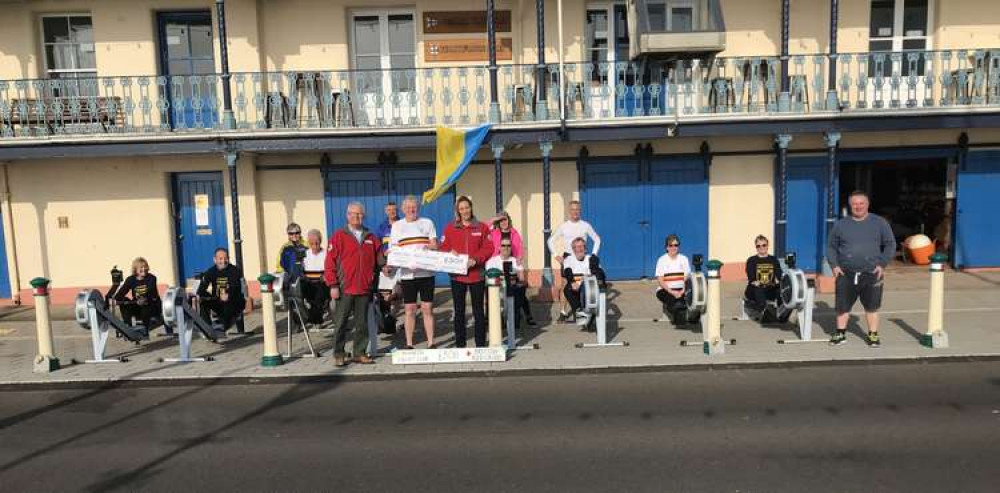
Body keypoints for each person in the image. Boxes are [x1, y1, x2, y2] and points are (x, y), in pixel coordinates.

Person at [827, 190, 896, 347]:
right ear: (850, 206)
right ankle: (840, 334)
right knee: (842, 306)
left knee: (872, 306)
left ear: (867, 204)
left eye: (861, 203)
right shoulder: (841, 224)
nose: (857, 206)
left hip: (872, 273)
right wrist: (834, 265)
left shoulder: (879, 223)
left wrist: (882, 264)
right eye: (854, 204)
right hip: (845, 273)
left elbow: (891, 244)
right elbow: (831, 246)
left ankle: (872, 335)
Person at [325, 202, 382, 366]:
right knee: (341, 323)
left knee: (362, 323)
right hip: (344, 288)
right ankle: (339, 354)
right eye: (353, 214)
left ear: (363, 216)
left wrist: (386, 263)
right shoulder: (338, 236)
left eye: (360, 214)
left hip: (364, 287)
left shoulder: (371, 237)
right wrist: (333, 285)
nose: (357, 217)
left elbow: (380, 259)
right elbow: (329, 262)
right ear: (347, 215)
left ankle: (359, 352)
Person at [441, 196, 494, 348]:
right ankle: (460, 344)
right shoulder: (450, 228)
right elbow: (443, 247)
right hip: (457, 277)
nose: (465, 211)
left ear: (471, 208)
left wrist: (475, 260)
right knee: (459, 312)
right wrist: (450, 251)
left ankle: (480, 344)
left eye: (467, 207)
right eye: (461, 208)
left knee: (478, 311)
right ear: (458, 211)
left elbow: (489, 248)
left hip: (477, 276)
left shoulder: (482, 227)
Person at [388, 195, 438, 349]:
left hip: (426, 273)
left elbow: (435, 245)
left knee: (427, 308)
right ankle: (409, 343)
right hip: (407, 274)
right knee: (409, 309)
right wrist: (400, 263)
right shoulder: (397, 226)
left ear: (418, 208)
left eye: (414, 207)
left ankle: (431, 342)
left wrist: (425, 248)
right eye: (408, 207)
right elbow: (394, 249)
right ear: (403, 210)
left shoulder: (427, 222)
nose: (411, 209)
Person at [548, 200, 601, 322]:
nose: (575, 212)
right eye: (572, 209)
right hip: (568, 258)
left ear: (580, 210)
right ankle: (563, 312)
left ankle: (584, 309)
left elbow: (597, 239)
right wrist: (556, 255)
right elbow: (550, 241)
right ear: (569, 211)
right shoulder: (564, 226)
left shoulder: (585, 225)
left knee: (585, 282)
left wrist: (593, 255)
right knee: (565, 285)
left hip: (581, 256)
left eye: (577, 209)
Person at [487, 211, 535, 326]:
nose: (504, 222)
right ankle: (490, 317)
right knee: (491, 291)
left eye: (506, 219)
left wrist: (519, 258)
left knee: (519, 290)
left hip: (512, 262)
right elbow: (484, 229)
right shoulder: (494, 232)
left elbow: (520, 248)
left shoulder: (514, 233)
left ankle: (527, 315)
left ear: (509, 220)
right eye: (501, 220)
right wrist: (493, 220)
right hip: (497, 262)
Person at [197, 248, 246, 334]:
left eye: (225, 258)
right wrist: (204, 296)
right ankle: (207, 328)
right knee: (203, 302)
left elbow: (234, 287)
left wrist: (228, 294)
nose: (223, 261)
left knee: (229, 302)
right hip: (218, 301)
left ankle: (222, 326)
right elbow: (201, 289)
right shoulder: (211, 272)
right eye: (220, 258)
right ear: (215, 260)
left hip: (234, 302)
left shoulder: (234, 271)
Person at [561, 237, 606, 326]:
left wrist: (596, 271)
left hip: (589, 288)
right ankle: (579, 312)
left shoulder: (591, 259)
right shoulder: (569, 259)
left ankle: (591, 318)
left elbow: (601, 273)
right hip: (576, 287)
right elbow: (567, 271)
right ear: (573, 249)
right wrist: (572, 282)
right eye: (576, 247)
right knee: (567, 289)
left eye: (581, 246)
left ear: (585, 249)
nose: (579, 249)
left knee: (591, 288)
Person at [486, 239, 528, 329]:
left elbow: (521, 278)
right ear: (499, 247)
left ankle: (514, 321)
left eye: (508, 246)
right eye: (503, 245)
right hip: (497, 291)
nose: (506, 248)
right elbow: (489, 278)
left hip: (511, 290)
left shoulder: (515, 261)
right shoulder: (492, 261)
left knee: (520, 289)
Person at [114, 257, 164, 333]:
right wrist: (115, 299)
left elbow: (151, 291)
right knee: (124, 300)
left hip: (152, 306)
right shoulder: (130, 279)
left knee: (146, 306)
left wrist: (144, 299)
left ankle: (145, 329)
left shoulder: (152, 278)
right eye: (141, 267)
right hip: (137, 306)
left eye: (145, 267)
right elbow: (122, 292)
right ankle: (127, 325)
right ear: (135, 269)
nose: (144, 269)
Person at [654, 234, 692, 325]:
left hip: (682, 288)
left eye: (676, 245)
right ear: (666, 247)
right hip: (666, 289)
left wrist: (682, 290)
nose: (673, 247)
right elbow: (660, 280)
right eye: (670, 245)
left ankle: (683, 314)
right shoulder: (662, 260)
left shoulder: (684, 259)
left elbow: (687, 277)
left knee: (688, 299)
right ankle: (677, 311)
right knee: (675, 303)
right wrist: (672, 292)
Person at [375, 202, 401, 334]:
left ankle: (392, 318)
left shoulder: (403, 225)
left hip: (400, 265)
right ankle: (384, 321)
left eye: (394, 210)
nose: (392, 212)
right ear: (386, 212)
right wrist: (382, 264)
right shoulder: (381, 227)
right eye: (389, 210)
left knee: (397, 294)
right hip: (386, 266)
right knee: (383, 295)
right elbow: (378, 249)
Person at [744, 235, 783, 318]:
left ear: (768, 245)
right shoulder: (751, 260)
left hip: (770, 288)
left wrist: (780, 281)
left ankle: (782, 312)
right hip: (755, 290)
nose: (761, 247)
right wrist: (756, 282)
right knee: (758, 289)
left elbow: (779, 274)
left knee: (781, 288)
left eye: (764, 245)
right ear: (756, 247)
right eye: (758, 246)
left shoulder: (773, 259)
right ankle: (765, 311)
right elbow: (751, 277)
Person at [299, 229, 330, 325]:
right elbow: (300, 270)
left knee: (319, 292)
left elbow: (330, 269)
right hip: (308, 282)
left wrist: (325, 276)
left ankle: (315, 318)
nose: (315, 245)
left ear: (320, 242)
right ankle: (309, 316)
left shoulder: (326, 254)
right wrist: (303, 276)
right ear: (309, 243)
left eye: (317, 243)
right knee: (300, 290)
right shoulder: (305, 254)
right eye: (312, 243)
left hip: (322, 283)